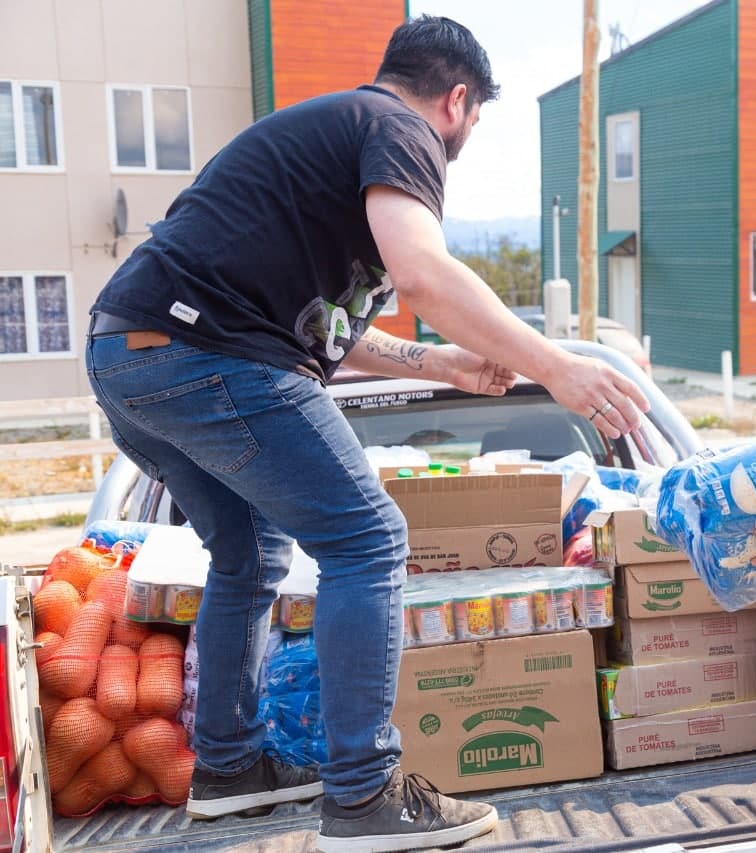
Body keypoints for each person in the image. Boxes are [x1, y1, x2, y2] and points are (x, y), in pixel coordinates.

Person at [84, 15, 647, 852]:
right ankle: (363, 795)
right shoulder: (397, 128)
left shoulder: (328, 150)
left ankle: (230, 770)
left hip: (131, 355)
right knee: (370, 535)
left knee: (249, 554)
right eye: (474, 121)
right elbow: (425, 272)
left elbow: (327, 333)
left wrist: (444, 366)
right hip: (202, 351)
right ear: (457, 100)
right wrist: (555, 366)